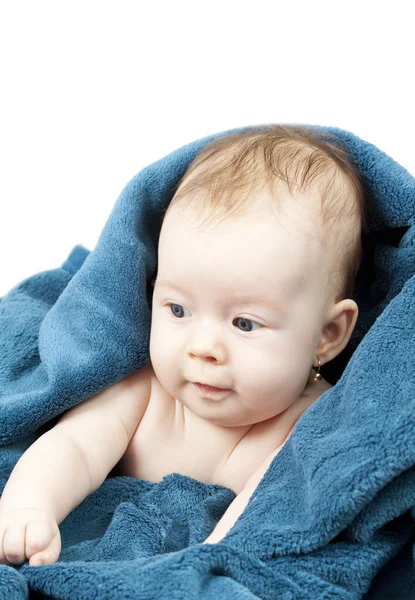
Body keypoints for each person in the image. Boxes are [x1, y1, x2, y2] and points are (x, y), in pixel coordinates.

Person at [0, 125, 367, 565]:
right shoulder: (145, 391)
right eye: (178, 310)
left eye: (244, 323)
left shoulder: (314, 423)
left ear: (327, 336)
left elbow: (265, 521)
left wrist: (207, 567)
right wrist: (29, 507)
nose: (203, 347)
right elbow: (73, 448)